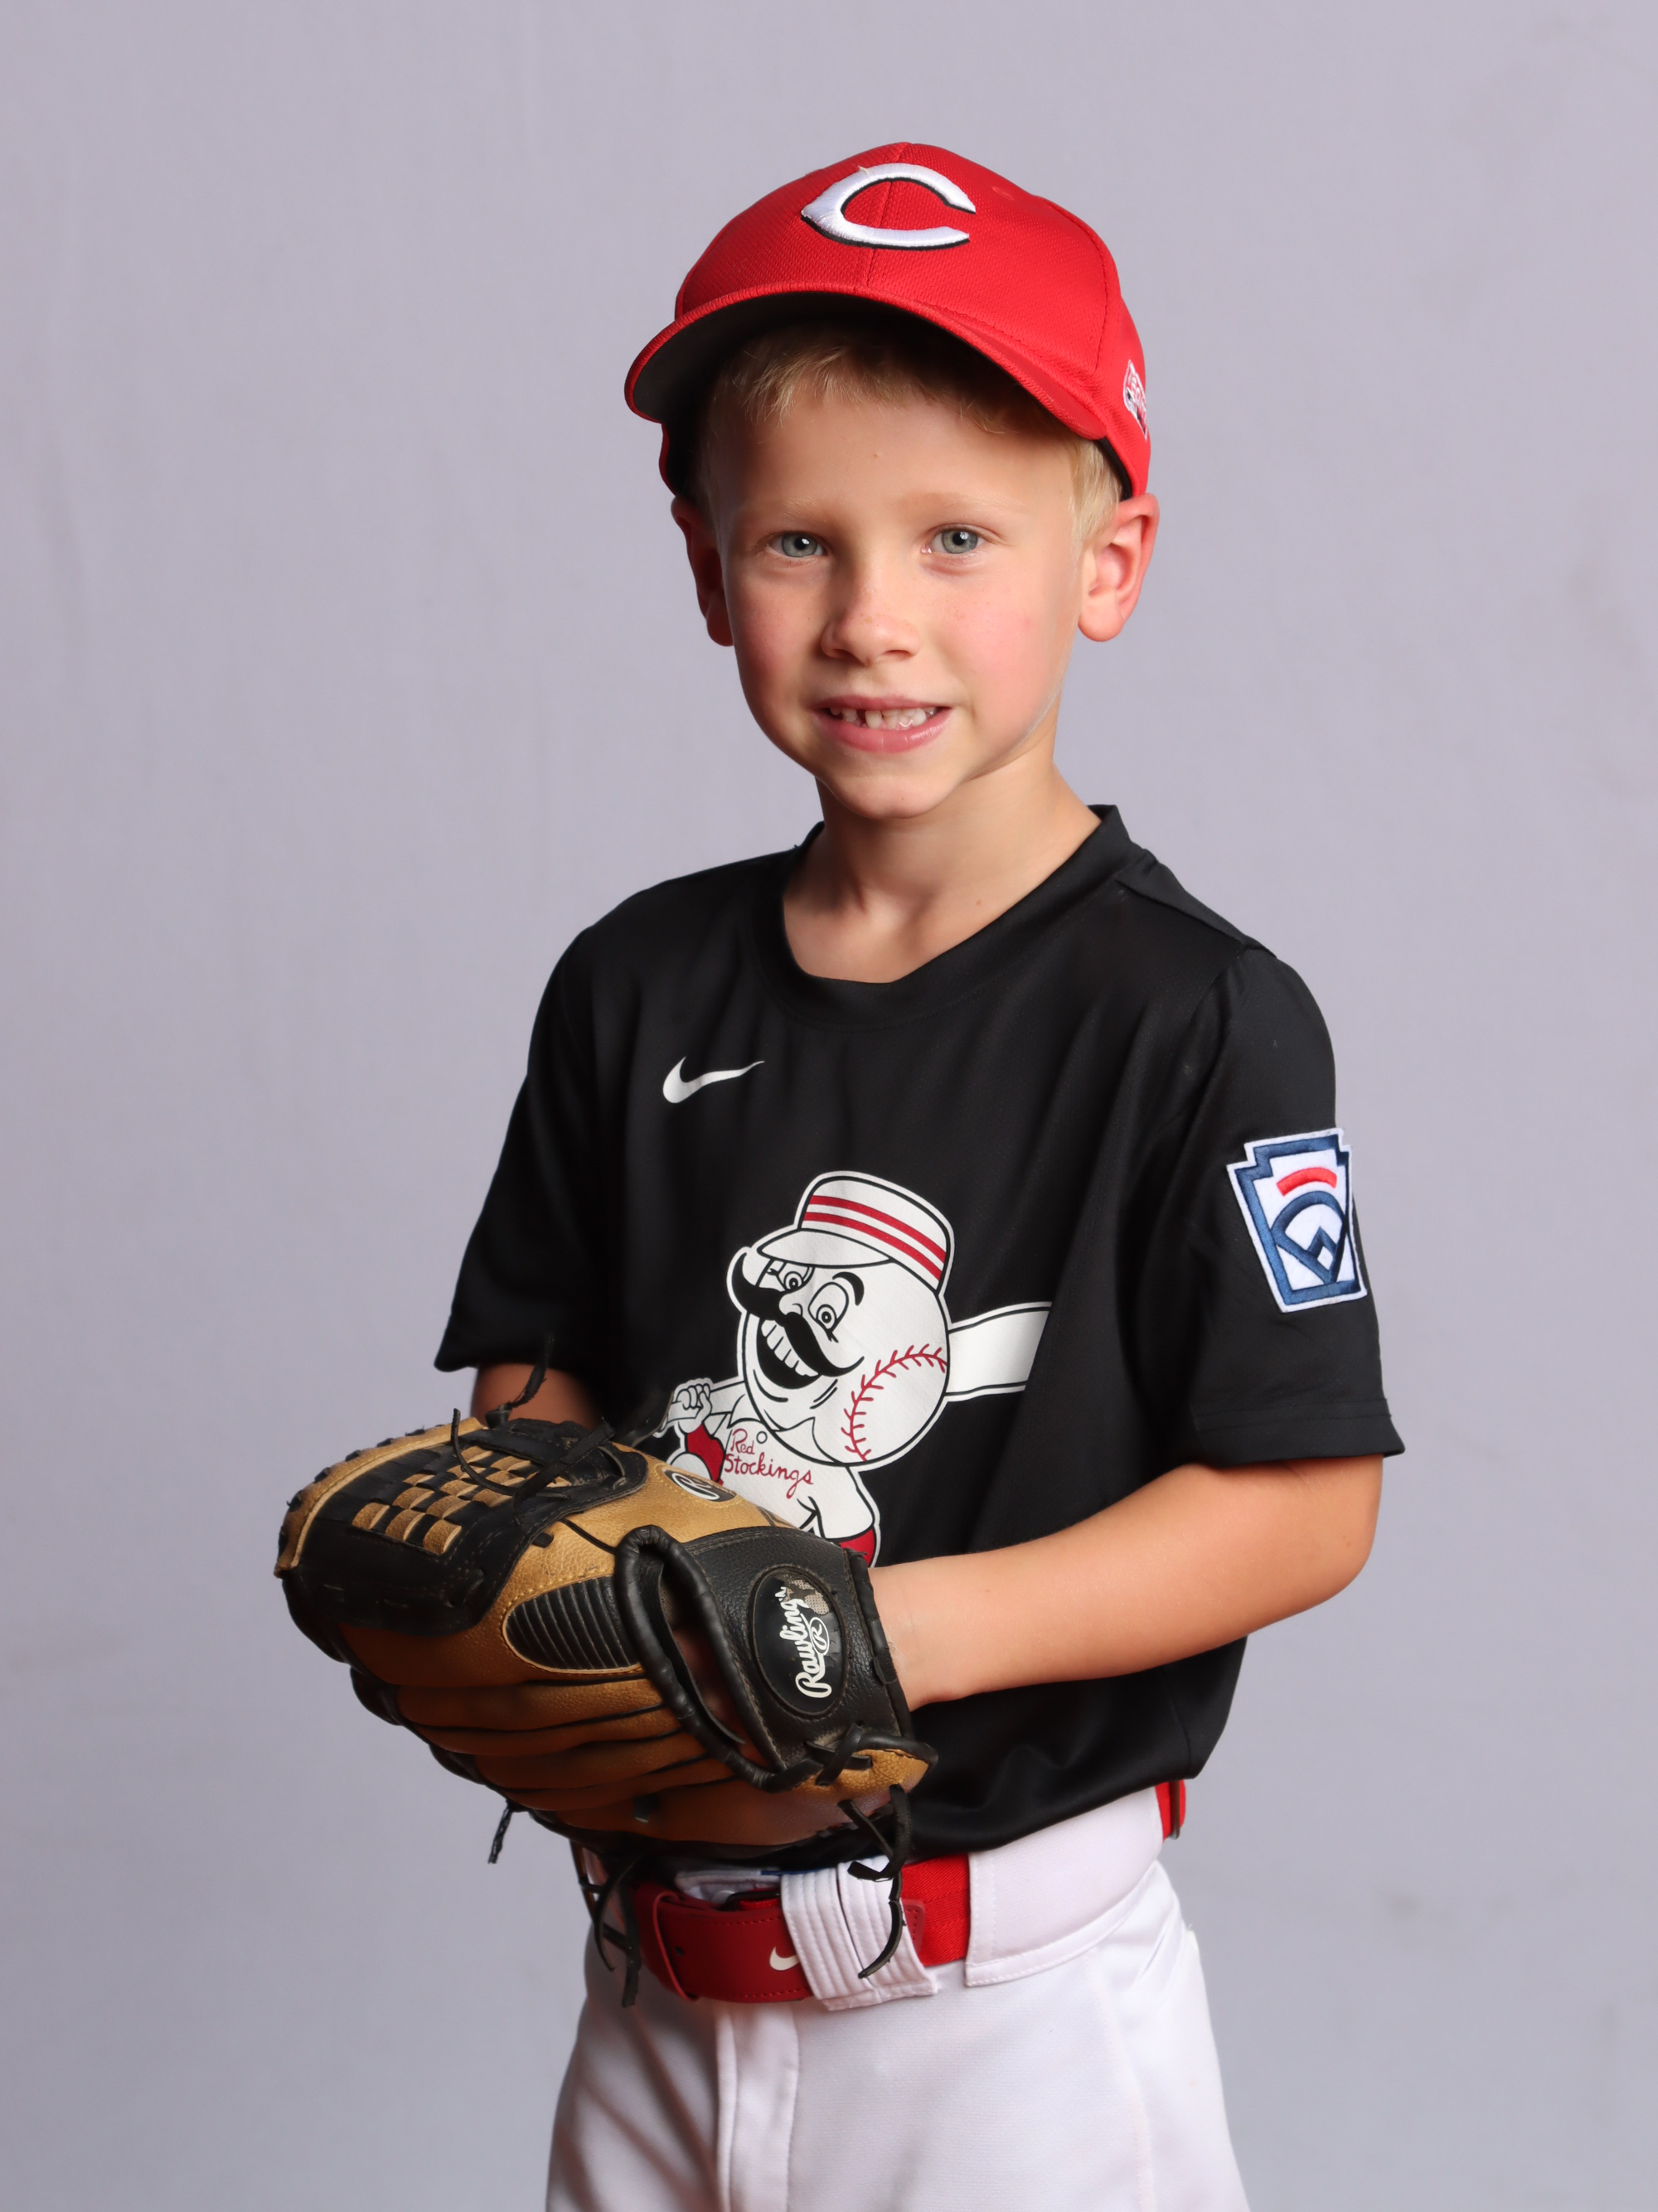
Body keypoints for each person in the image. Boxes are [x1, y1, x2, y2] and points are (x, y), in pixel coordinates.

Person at [433, 143, 1402, 2211]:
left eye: (958, 535)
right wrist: (532, 1561)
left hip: (1007, 2018)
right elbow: (540, 1371)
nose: (873, 615)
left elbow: (1305, 1497)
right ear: (707, 570)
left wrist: (876, 1631)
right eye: (800, 538)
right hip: (654, 1989)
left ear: (1106, 562)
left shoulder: (1198, 1015)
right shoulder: (631, 982)